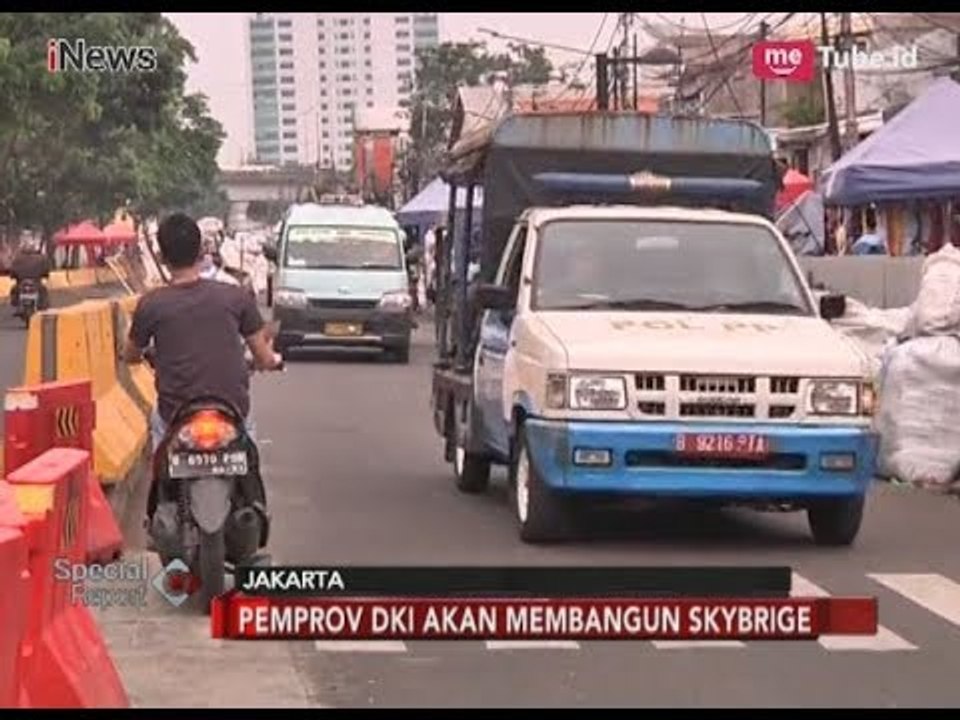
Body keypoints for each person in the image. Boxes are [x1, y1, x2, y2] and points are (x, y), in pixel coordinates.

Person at [122, 213, 282, 454]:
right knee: (248, 454)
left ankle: (159, 487)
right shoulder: (236, 296)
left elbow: (131, 354)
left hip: (175, 412)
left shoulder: (151, 304)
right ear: (200, 251)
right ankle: (251, 489)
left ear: (162, 257)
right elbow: (264, 357)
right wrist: (273, 361)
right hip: (232, 408)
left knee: (158, 434)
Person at [8, 236, 51, 310]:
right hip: (36, 283)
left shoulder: (17, 258)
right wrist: (45, 275)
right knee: (44, 291)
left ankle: (17, 304)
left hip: (21, 283)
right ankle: (43, 307)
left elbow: (12, 271)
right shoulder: (40, 258)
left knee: (13, 290)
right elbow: (45, 270)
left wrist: (13, 276)